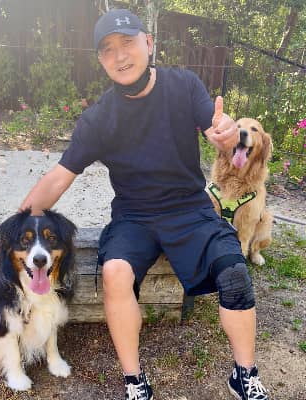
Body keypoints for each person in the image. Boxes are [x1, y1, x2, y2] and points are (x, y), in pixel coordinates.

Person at [20, 8, 270, 400]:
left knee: (235, 273)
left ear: (149, 43)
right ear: (101, 60)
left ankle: (245, 374)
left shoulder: (183, 86)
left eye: (128, 42)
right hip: (134, 217)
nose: (120, 55)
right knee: (115, 272)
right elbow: (58, 177)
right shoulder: (99, 118)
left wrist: (224, 133)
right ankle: (134, 381)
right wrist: (14, 227)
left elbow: (216, 127)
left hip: (190, 209)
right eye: (108, 49)